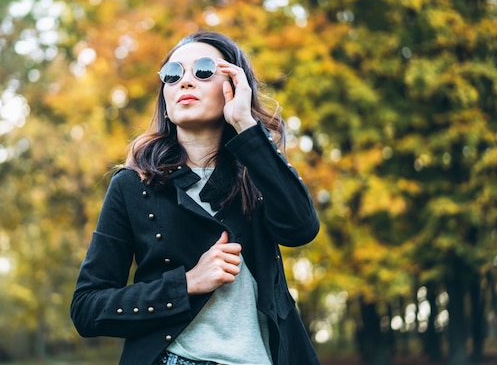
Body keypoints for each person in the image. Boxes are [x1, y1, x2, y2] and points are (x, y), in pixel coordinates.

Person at [70, 31, 321, 365]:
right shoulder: (132, 185)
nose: (185, 81)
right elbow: (87, 307)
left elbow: (301, 228)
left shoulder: (258, 175)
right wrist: (187, 283)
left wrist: (246, 125)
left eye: (203, 70)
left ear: (233, 86)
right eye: (173, 74)